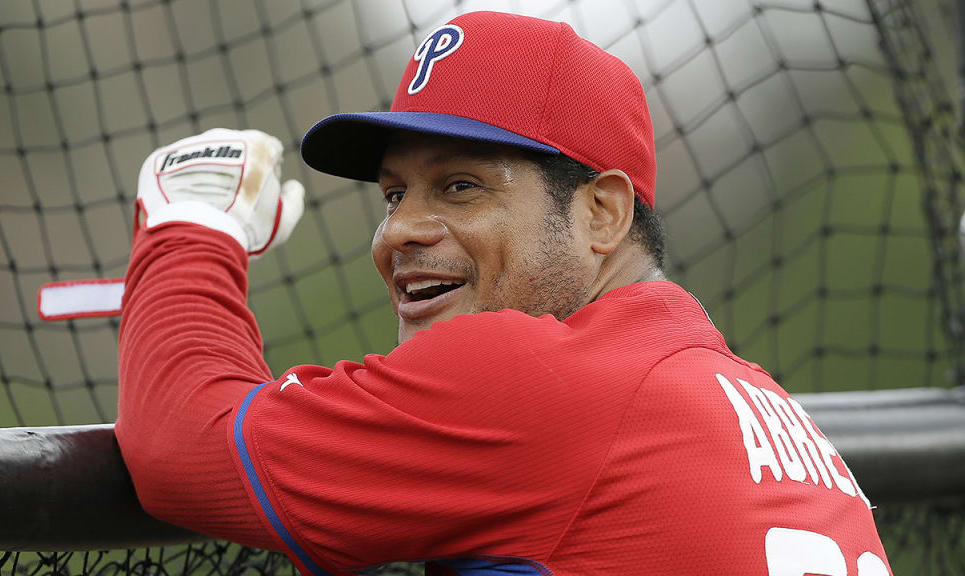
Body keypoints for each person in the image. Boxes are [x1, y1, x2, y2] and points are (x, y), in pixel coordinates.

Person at [115, 11, 891, 575]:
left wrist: (190, 229)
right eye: (394, 194)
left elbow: (184, 442)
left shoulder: (541, 379)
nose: (398, 231)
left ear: (602, 212)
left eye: (460, 186)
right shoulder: (753, 400)